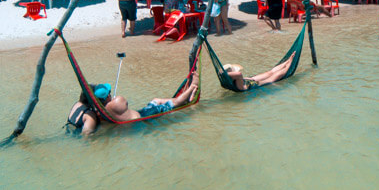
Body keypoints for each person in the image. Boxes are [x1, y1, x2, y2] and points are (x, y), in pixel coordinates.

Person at [67, 78, 199, 136]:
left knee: (156, 100)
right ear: (107, 97)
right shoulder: (117, 101)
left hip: (140, 114)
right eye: (109, 92)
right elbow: (124, 102)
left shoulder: (100, 113)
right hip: (143, 117)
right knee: (172, 104)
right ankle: (193, 87)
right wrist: (113, 100)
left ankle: (186, 95)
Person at [222, 54, 296, 92]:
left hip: (250, 80)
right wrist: (224, 74)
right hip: (255, 84)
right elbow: (239, 74)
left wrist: (223, 73)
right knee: (271, 78)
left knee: (270, 72)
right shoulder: (237, 79)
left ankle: (287, 61)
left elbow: (237, 75)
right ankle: (288, 65)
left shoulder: (231, 80)